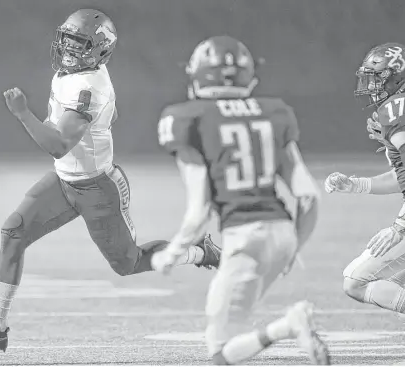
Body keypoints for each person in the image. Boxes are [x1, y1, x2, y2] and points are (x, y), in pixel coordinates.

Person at [0, 9, 221, 353]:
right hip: (66, 182)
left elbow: (57, 144)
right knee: (13, 231)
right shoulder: (77, 73)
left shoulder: (88, 86)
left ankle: (200, 252)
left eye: (79, 43)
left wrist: (22, 113)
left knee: (129, 263)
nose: (68, 48)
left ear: (99, 50)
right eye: (67, 39)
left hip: (98, 189)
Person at [151, 35, 329, 365]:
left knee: (219, 352)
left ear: (198, 75)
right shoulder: (274, 112)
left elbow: (199, 208)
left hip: (245, 238)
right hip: (284, 235)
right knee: (228, 338)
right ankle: (290, 325)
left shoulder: (187, 118)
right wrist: (296, 247)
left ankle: (291, 325)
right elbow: (308, 195)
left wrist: (173, 252)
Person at [325, 42, 405, 317]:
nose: (371, 86)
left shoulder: (396, 109)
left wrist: (399, 227)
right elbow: (402, 177)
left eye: (377, 77)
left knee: (357, 282)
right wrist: (357, 185)